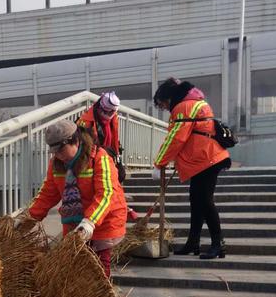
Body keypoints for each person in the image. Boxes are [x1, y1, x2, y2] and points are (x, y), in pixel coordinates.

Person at [17, 120, 127, 277]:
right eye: (55, 152)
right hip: (74, 225)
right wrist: (28, 218)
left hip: (104, 221)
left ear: (76, 141)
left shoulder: (99, 158)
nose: (59, 156)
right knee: (76, 269)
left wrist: (90, 222)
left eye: (61, 151)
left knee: (99, 268)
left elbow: (106, 194)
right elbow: (47, 194)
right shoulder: (56, 164)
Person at [152, 77, 231, 259]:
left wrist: (159, 163)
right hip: (203, 160)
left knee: (205, 202)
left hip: (206, 159)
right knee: (196, 202)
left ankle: (218, 244)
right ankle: (192, 243)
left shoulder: (183, 108)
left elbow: (176, 139)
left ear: (169, 97)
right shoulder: (193, 103)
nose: (164, 108)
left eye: (163, 104)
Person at [76, 91, 139, 222]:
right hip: (93, 159)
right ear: (99, 107)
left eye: (111, 113)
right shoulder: (85, 122)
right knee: (103, 187)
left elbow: (114, 139)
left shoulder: (113, 118)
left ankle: (120, 207)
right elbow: (84, 148)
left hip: (109, 154)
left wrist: (117, 157)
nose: (108, 115)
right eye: (106, 112)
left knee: (119, 175)